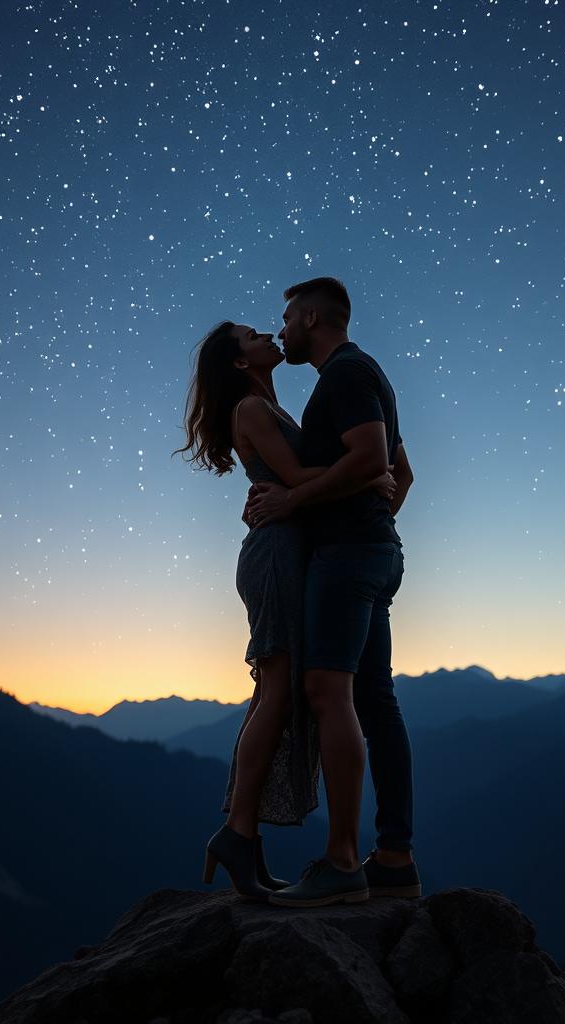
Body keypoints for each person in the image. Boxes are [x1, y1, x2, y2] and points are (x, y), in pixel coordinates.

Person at [175, 320, 396, 901]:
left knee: (280, 691)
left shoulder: (273, 407)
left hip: (294, 555)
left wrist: (367, 475)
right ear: (240, 362)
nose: (269, 335)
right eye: (253, 336)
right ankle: (239, 832)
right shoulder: (251, 409)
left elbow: (300, 481)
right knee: (275, 690)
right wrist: (369, 473)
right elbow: (296, 479)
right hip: (275, 557)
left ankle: (242, 837)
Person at [243, 277, 419, 908]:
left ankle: (344, 861)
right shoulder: (366, 374)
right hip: (372, 551)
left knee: (326, 690)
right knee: (375, 701)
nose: (282, 329)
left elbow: (373, 459)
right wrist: (380, 514)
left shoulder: (342, 375)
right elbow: (400, 472)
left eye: (287, 318)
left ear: (312, 317)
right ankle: (394, 857)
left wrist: (295, 497)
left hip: (347, 557)